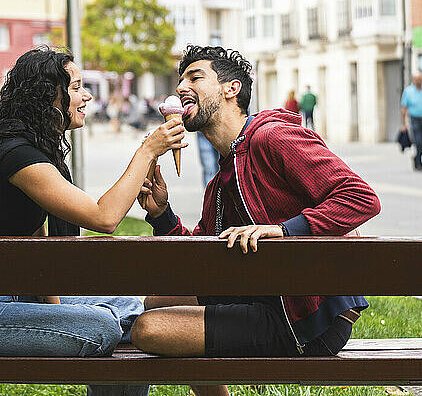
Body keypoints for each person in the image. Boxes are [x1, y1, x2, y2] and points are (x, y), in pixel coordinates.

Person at [130, 45, 380, 396]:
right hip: (263, 299)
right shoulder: (221, 180)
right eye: (180, 79)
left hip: (305, 319)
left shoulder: (272, 137)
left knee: (149, 329)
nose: (181, 87)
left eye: (195, 77)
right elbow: (199, 255)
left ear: (231, 89)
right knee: (156, 302)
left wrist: (283, 230)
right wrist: (161, 213)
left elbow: (360, 197)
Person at [0, 47, 186, 396]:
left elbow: (41, 254)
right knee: (102, 327)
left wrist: (59, 314)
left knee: (133, 311)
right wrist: (147, 151)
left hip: (5, 300)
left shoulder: (34, 149)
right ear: (47, 96)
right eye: (76, 87)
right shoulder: (20, 158)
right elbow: (106, 217)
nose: (87, 96)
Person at [401, 71, 422, 172]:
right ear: (413, 80)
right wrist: (403, 124)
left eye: (420, 79)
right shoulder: (408, 91)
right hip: (414, 119)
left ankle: (416, 157)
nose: (418, 81)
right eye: (416, 79)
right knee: (419, 141)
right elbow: (404, 108)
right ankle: (419, 163)